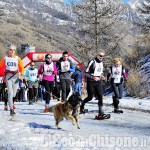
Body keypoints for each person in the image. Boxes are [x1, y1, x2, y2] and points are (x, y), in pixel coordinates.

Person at [80, 52, 107, 118]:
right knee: (90, 97)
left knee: (100, 96)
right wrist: (93, 77)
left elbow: (100, 72)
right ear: (97, 55)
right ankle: (82, 105)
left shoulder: (102, 62)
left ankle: (100, 112)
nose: (102, 57)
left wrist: (102, 76)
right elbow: (86, 73)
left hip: (98, 81)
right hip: (91, 81)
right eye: (100, 55)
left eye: (103, 56)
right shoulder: (92, 62)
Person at [0, 44, 25, 116]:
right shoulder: (5, 58)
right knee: (10, 93)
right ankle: (11, 109)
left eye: (14, 50)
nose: (12, 51)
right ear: (8, 50)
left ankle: (11, 103)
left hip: (16, 76)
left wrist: (22, 75)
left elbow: (22, 67)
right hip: (8, 76)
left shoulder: (18, 58)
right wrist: (2, 74)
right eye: (11, 50)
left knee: (14, 93)